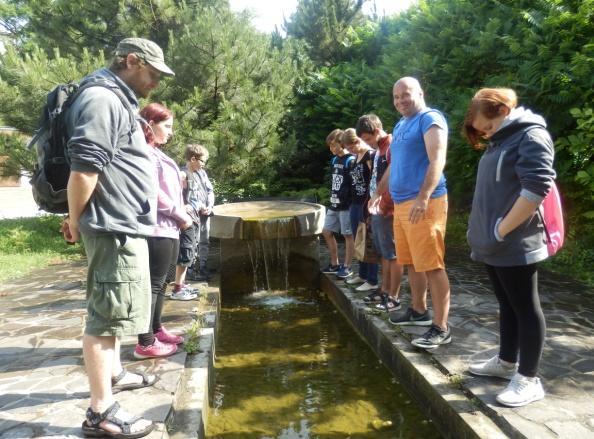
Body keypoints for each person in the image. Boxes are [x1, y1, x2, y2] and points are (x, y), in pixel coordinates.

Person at [61, 38, 174, 438]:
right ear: (131, 61)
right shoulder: (102, 98)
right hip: (112, 225)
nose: (156, 82)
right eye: (153, 73)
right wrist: (75, 221)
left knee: (117, 309)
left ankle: (116, 374)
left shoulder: (115, 96)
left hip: (121, 224)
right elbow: (84, 170)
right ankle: (100, 411)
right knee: (105, 316)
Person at [463, 88, 555, 407]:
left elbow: (536, 189)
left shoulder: (530, 136)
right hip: (494, 243)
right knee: (507, 304)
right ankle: (505, 363)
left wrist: (500, 230)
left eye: (486, 128)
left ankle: (529, 380)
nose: (485, 135)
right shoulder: (502, 139)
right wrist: (483, 230)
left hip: (517, 242)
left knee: (526, 308)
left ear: (501, 111)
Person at [373, 76, 451, 349]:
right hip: (402, 204)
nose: (400, 101)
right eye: (396, 97)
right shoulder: (401, 124)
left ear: (420, 92)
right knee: (412, 262)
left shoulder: (430, 118)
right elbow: (395, 166)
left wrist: (423, 197)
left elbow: (437, 158)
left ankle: (441, 326)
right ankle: (419, 311)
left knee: (431, 264)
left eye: (405, 94)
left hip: (425, 203)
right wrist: (379, 192)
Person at [133, 103, 192, 359]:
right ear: (149, 125)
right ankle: (145, 342)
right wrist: (179, 213)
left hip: (170, 228)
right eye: (166, 126)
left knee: (164, 281)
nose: (170, 132)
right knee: (153, 285)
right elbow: (151, 192)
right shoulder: (143, 153)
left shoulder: (156, 152)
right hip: (156, 228)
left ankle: (156, 329)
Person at [356, 114, 404, 311]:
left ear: (376, 131)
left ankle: (393, 296)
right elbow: (376, 180)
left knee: (393, 254)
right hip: (377, 208)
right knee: (384, 253)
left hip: (389, 209)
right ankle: (384, 290)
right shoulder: (378, 150)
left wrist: (385, 203)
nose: (367, 143)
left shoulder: (391, 146)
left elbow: (395, 177)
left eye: (367, 139)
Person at [171, 143, 214, 298]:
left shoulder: (199, 174)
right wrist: (184, 206)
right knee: (186, 250)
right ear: (193, 159)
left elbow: (202, 193)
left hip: (197, 216)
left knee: (192, 248)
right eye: (202, 161)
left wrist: (205, 205)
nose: (203, 165)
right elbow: (173, 195)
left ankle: (182, 284)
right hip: (186, 220)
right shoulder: (183, 175)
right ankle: (178, 288)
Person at [340, 128, 380, 292]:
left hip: (366, 204)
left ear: (357, 141)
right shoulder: (356, 157)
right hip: (355, 204)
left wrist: (372, 204)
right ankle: (362, 275)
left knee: (368, 242)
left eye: (350, 147)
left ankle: (372, 279)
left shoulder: (370, 156)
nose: (349, 151)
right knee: (358, 241)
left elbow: (375, 179)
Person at [321, 129, 355, 278]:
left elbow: (355, 184)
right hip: (334, 203)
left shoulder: (350, 160)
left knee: (348, 235)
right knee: (326, 231)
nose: (331, 148)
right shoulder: (335, 160)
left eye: (334, 145)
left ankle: (347, 266)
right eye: (330, 146)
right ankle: (334, 263)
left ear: (342, 144)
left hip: (346, 205)